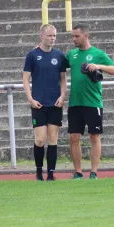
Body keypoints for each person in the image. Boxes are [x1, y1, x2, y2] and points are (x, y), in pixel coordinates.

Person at [66, 24, 114, 180]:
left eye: (77, 36)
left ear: (86, 36)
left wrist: (98, 66)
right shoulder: (71, 54)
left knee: (94, 136)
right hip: (75, 102)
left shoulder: (98, 53)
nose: (74, 39)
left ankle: (94, 172)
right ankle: (78, 172)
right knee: (74, 137)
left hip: (93, 102)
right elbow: (57, 62)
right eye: (73, 36)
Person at [22, 24, 67, 181]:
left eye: (54, 36)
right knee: (40, 139)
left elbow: (63, 79)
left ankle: (51, 174)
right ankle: (39, 172)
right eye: (49, 35)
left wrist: (62, 96)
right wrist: (31, 99)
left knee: (53, 138)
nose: (52, 38)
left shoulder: (60, 56)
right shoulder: (32, 55)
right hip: (39, 104)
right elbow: (26, 79)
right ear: (41, 36)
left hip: (55, 103)